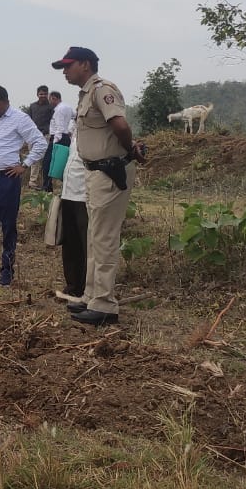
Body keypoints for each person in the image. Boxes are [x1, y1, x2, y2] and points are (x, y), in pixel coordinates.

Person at [53, 46, 146, 326]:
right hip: (94, 172)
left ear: (85, 64)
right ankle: (92, 296)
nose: (65, 71)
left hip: (109, 171)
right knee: (94, 235)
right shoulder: (85, 94)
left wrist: (130, 148)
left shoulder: (102, 90)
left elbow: (119, 124)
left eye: (68, 66)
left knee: (104, 238)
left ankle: (105, 304)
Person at [0, 85, 47, 287]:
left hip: (7, 179)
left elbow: (40, 143)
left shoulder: (20, 119)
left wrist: (25, 165)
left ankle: (7, 269)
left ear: (6, 101)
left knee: (8, 224)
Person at [56, 137, 88, 304]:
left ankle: (88, 290)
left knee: (87, 245)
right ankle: (73, 287)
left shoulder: (99, 133)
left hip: (86, 197)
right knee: (70, 243)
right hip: (68, 193)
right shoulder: (75, 133)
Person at [43, 90, 76, 193]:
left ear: (54, 98)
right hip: (66, 137)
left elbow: (59, 127)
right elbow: (76, 116)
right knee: (63, 163)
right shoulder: (68, 107)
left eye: (50, 99)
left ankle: (47, 187)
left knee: (48, 162)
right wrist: (71, 131)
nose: (49, 102)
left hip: (58, 137)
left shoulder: (59, 110)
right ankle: (67, 186)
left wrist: (55, 142)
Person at [26, 86, 53, 190]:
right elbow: (28, 120)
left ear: (47, 94)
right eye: (41, 94)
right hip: (33, 136)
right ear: (37, 94)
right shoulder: (32, 106)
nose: (43, 96)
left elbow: (52, 121)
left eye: (45, 94)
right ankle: (32, 182)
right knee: (34, 158)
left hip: (45, 135)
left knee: (45, 160)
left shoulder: (51, 107)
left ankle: (45, 183)